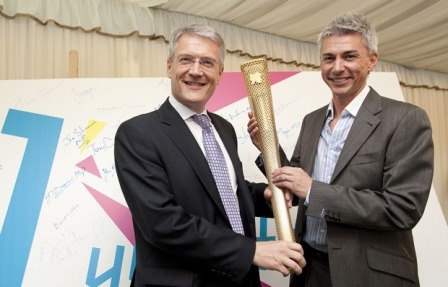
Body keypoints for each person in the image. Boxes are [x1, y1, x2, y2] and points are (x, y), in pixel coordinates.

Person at [247, 12, 434, 287]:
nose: (337, 67)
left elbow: (403, 208)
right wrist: (269, 148)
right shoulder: (312, 121)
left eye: (349, 56)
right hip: (310, 273)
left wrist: (313, 190)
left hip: (370, 276)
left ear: (372, 60)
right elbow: (296, 188)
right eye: (329, 58)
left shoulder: (406, 119)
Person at [114, 24, 306, 287]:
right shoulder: (138, 133)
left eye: (207, 62)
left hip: (238, 279)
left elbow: (223, 192)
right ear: (169, 66)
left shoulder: (223, 128)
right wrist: (251, 251)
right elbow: (162, 223)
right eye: (186, 60)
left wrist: (263, 196)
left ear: (219, 73)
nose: (196, 71)